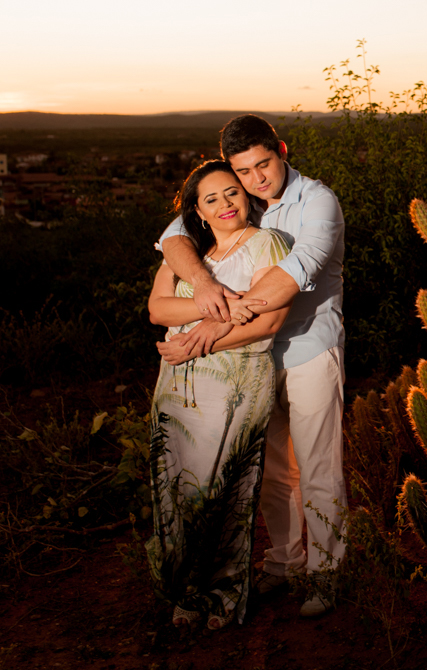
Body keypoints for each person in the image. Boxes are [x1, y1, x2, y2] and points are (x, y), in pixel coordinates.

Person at [156, 114, 347, 619]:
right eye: (245, 171)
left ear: (281, 150)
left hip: (308, 347)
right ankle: (283, 564)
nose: (257, 179)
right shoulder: (237, 197)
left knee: (318, 465)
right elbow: (175, 237)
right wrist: (204, 284)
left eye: (264, 164)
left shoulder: (317, 202)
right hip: (252, 362)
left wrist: (212, 326)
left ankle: (327, 574)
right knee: (272, 472)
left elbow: (293, 274)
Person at [146, 160, 292, 630]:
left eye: (232, 192)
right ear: (198, 211)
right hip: (176, 382)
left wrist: (200, 337)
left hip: (236, 382)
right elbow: (157, 308)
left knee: (223, 491)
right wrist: (220, 303)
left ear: (246, 197)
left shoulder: (267, 243)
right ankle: (187, 593)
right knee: (177, 490)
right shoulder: (189, 253)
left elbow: (269, 320)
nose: (226, 204)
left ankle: (225, 596)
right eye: (212, 199)